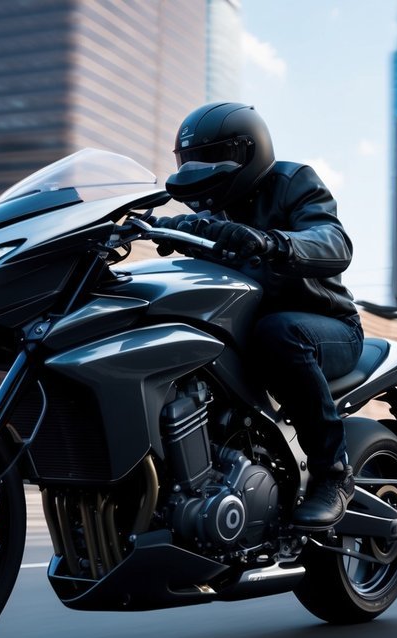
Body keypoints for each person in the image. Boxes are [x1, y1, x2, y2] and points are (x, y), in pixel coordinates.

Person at [151, 102, 363, 529]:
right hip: (248, 332)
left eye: (212, 157)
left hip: (325, 327)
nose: (201, 168)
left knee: (278, 332)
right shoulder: (210, 214)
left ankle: (333, 474)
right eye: (192, 160)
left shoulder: (292, 182)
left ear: (250, 151)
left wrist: (273, 243)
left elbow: (333, 241)